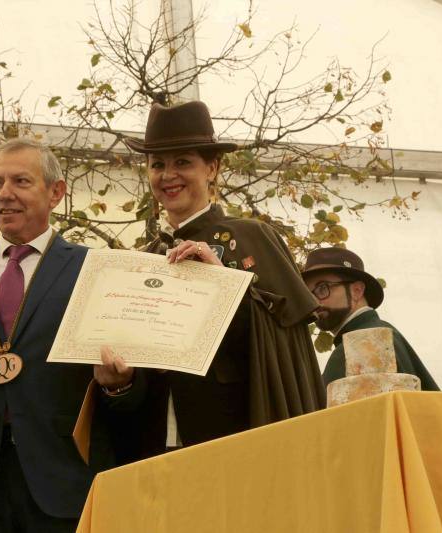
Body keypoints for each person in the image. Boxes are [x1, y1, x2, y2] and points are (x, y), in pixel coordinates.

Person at [0, 138, 142, 533]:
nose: (4, 195)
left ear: (56, 193)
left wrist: (117, 386)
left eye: (21, 181)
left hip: (63, 483)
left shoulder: (96, 270)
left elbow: (126, 394)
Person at [119, 100, 326, 457]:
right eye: (157, 165)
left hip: (236, 439)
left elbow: (279, 347)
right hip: (153, 447)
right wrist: (118, 383)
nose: (168, 175)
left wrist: (222, 284)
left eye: (182, 162)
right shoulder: (144, 259)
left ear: (211, 168)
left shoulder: (253, 238)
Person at [301, 246, 440, 390]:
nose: (315, 302)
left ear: (357, 291)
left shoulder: (365, 343)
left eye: (322, 288)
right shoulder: (380, 334)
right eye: (309, 294)